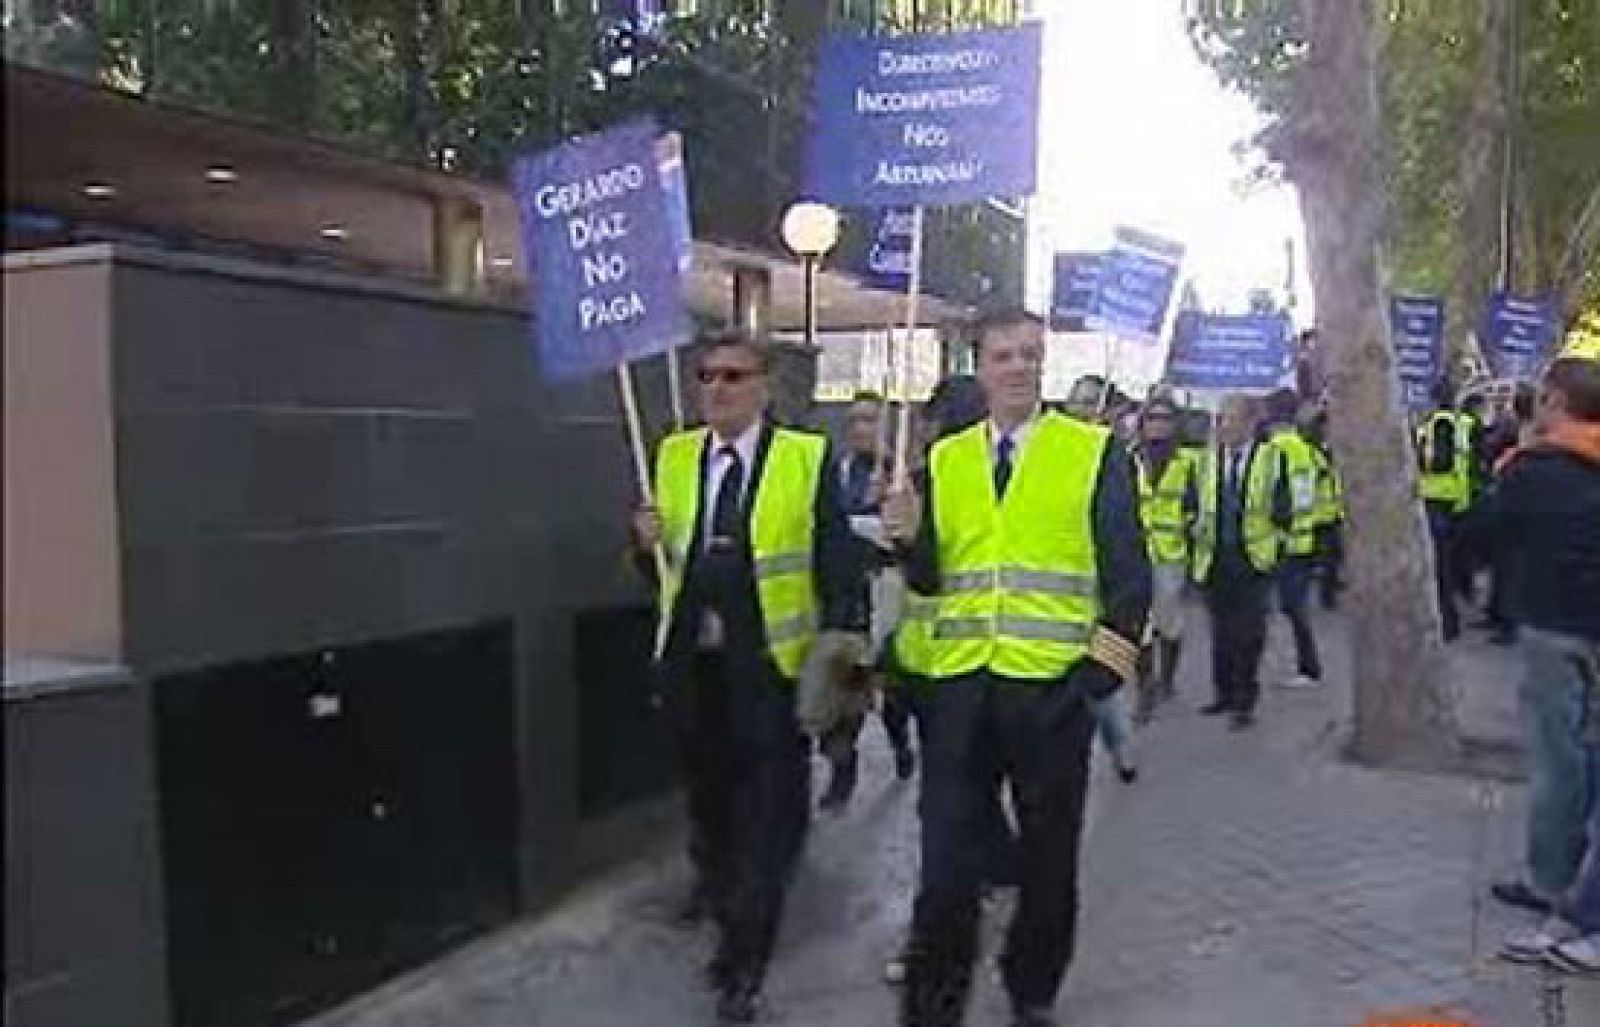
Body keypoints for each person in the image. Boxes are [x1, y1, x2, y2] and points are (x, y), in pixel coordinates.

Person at [884, 308, 1151, 1027]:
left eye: (1031, 355)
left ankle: (1032, 988)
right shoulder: (945, 458)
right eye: (1003, 356)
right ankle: (933, 1000)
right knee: (944, 862)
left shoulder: (1094, 452)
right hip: (961, 691)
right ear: (979, 367)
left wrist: (1093, 683)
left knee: (1047, 862)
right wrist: (909, 540)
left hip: (1050, 694)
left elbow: (1130, 581)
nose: (1019, 368)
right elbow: (936, 579)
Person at [629, 329, 860, 1023]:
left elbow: (838, 567)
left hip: (771, 670)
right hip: (695, 667)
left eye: (733, 375)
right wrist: (643, 545)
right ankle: (720, 885)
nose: (718, 389)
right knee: (710, 802)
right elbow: (660, 570)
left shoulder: (804, 457)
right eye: (707, 376)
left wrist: (845, 665)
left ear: (764, 386)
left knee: (764, 819)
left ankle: (743, 959)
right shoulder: (672, 456)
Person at [1461, 358, 1600, 963]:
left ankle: (1551, 882)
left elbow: (1484, 532)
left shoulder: (1535, 468)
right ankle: (1581, 883)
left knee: (1555, 759)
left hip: (1552, 626)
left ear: (1554, 401)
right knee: (1587, 760)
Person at [817, 392, 916, 812]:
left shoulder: (903, 474)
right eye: (854, 421)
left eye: (870, 421)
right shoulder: (836, 472)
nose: (860, 429)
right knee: (846, 683)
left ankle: (900, 742)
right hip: (848, 592)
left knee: (890, 684)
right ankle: (843, 768)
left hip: (890, 587)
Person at [1195, 394, 1290, 730]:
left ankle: (1244, 699)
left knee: (1248, 633)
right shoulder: (1207, 460)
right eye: (1220, 419)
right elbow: (1196, 501)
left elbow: (1284, 508)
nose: (1223, 426)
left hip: (1253, 559)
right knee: (1220, 630)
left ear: (1250, 423)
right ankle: (1222, 694)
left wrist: (1275, 549)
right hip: (1214, 557)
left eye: (1230, 419)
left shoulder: (1271, 458)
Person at [1131, 395, 1200, 721]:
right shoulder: (1131, 458)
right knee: (1140, 625)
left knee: (1168, 622)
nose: (1158, 425)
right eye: (1152, 418)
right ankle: (1146, 687)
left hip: (1171, 553)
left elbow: (1197, 506)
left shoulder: (1187, 462)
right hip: (1137, 553)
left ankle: (1168, 679)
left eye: (1165, 418)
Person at [1263, 387, 1325, 690]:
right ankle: (1305, 665)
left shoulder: (1275, 449)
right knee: (1293, 606)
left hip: (1280, 540)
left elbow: (1275, 496)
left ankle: (1306, 665)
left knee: (1288, 607)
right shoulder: (1303, 447)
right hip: (1304, 536)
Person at [1417, 383, 1472, 640]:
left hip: (1437, 496)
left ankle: (1446, 623)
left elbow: (1440, 461)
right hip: (1452, 496)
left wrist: (1418, 460)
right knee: (1443, 564)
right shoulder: (1458, 422)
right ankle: (1447, 621)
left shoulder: (1440, 423)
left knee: (1438, 566)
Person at [1302, 404, 1346, 610]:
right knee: (1323, 556)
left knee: (1333, 555)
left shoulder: (1327, 449)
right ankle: (1325, 595)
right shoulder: (1310, 452)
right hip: (1317, 515)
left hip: (1332, 512)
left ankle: (1329, 590)